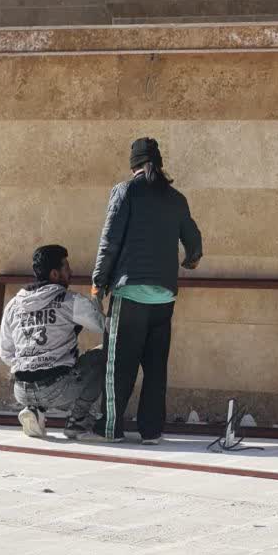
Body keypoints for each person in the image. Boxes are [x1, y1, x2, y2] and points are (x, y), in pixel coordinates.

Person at [91, 137, 203, 445]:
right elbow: (194, 242)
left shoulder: (125, 191)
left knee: (119, 365)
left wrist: (98, 282)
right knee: (155, 368)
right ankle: (151, 430)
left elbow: (110, 239)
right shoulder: (176, 199)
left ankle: (111, 427)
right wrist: (190, 260)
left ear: (134, 165)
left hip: (130, 294)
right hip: (164, 296)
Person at [0, 244, 105, 440]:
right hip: (57, 390)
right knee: (106, 355)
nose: (71, 272)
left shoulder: (14, 305)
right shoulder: (70, 300)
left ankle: (34, 409)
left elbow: (5, 352)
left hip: (20, 389)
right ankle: (79, 421)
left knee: (47, 372)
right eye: (67, 268)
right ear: (55, 274)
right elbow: (104, 327)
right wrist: (97, 301)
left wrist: (32, 363)